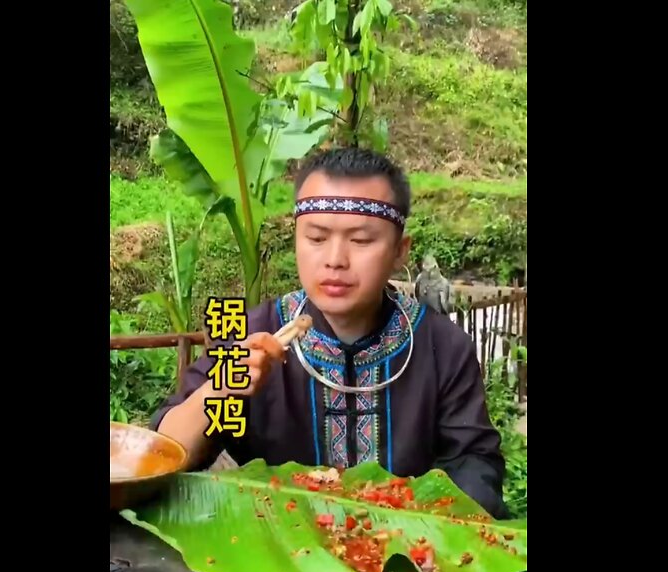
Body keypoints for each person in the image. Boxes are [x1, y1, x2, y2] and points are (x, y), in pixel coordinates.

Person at [151, 147, 509, 518]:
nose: (335, 259)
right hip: (279, 555)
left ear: (400, 252)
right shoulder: (248, 334)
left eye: (361, 240)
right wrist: (223, 387)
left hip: (408, 558)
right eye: (317, 238)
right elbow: (166, 453)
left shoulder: (442, 346)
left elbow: (473, 463)